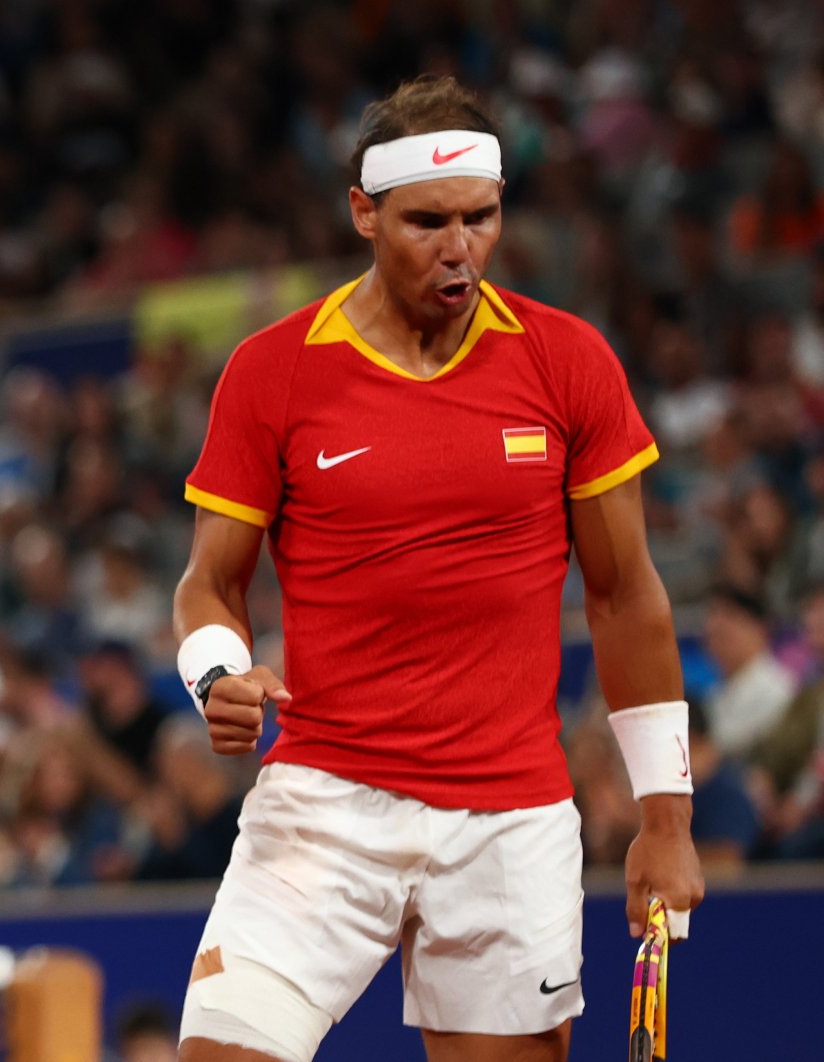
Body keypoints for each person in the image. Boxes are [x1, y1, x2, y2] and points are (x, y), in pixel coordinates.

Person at [172, 77, 703, 1062]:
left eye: (481, 217)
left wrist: (663, 819)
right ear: (363, 213)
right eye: (426, 222)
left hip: (511, 822)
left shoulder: (567, 361)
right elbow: (209, 582)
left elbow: (627, 596)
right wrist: (214, 671)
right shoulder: (272, 369)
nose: (459, 247)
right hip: (323, 807)